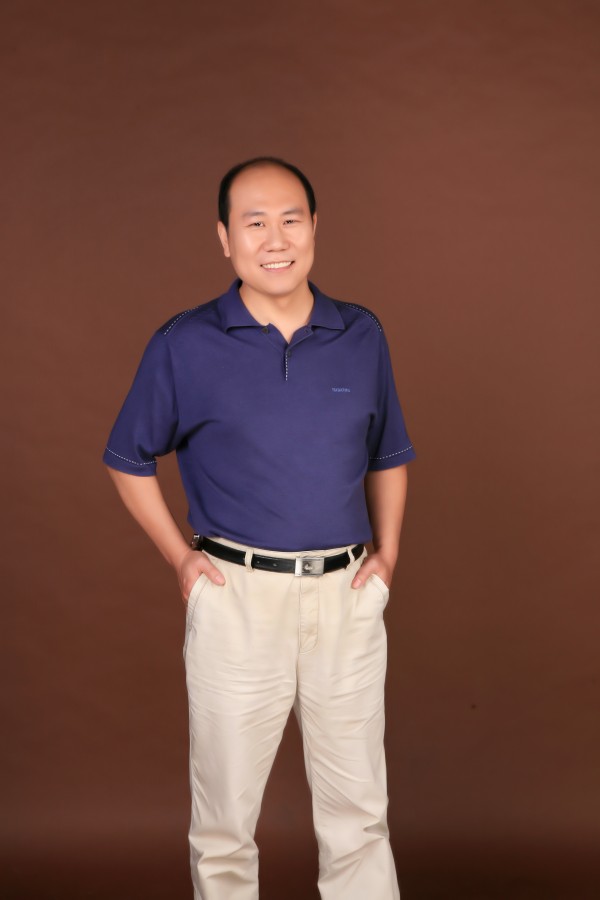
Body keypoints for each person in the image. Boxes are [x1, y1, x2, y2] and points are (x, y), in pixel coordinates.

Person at [103, 156, 416, 900]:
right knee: (223, 825)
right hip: (236, 599)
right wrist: (181, 559)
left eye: (290, 219)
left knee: (360, 815)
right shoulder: (185, 343)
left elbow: (389, 454)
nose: (275, 240)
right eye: (254, 223)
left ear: (314, 228)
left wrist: (389, 556)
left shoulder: (360, 333)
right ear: (224, 238)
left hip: (345, 597)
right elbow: (126, 458)